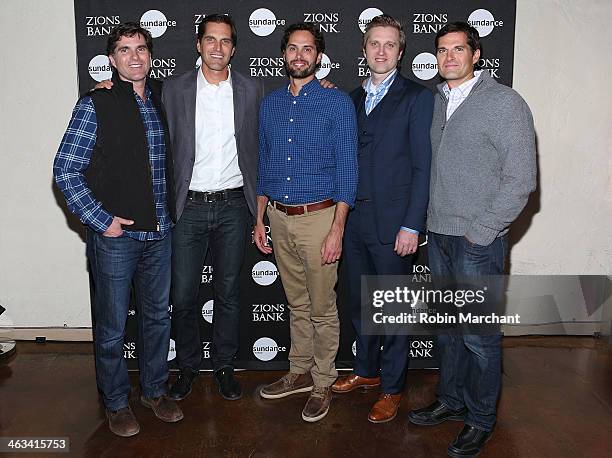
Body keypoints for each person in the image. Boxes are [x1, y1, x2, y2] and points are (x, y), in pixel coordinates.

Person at [407, 22, 536, 458]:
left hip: (478, 240)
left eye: (458, 49)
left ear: (476, 54)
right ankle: (452, 399)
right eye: (442, 50)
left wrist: (483, 231)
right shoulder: (438, 101)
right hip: (439, 236)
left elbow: (521, 181)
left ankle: (480, 419)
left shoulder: (505, 103)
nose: (448, 57)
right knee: (447, 331)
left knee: (479, 336)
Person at [53, 22, 182, 437]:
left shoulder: (164, 99)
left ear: (150, 55)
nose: (134, 56)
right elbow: (65, 170)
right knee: (111, 328)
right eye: (125, 50)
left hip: (160, 233)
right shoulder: (96, 104)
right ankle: (114, 402)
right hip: (117, 239)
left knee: (157, 321)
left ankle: (154, 390)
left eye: (141, 48)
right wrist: (100, 220)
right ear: (112, 59)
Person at [331, 14, 433, 424]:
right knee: (360, 303)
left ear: (401, 51)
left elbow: (423, 167)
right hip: (353, 220)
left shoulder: (416, 97)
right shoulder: (351, 98)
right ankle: (366, 372)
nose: (381, 50)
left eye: (390, 44)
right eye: (375, 43)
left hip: (394, 224)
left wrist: (412, 224)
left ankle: (392, 387)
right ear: (364, 48)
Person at [254, 22, 358, 423]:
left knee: (322, 307)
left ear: (318, 56)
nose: (300, 55)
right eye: (293, 48)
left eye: (308, 49)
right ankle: (298, 371)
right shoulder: (271, 104)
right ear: (284, 54)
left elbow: (348, 170)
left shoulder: (336, 103)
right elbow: (264, 163)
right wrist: (260, 217)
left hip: (320, 218)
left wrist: (337, 228)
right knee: (296, 303)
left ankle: (322, 381)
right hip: (278, 217)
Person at [163, 14, 264, 402]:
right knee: (184, 295)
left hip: (233, 205)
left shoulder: (251, 89)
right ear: (198, 44)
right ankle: (188, 366)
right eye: (210, 40)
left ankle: (224, 365)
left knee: (228, 293)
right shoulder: (174, 89)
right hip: (186, 208)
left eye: (225, 41)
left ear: (234, 48)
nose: (217, 48)